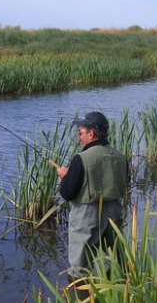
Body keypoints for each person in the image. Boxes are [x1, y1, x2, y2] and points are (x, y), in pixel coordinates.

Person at [52, 111, 128, 282]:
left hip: (86, 218)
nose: (79, 137)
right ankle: (119, 298)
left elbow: (68, 194)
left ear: (91, 133)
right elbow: (124, 183)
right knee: (117, 262)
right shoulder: (121, 156)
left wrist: (65, 177)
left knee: (79, 270)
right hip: (114, 214)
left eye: (81, 133)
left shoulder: (80, 158)